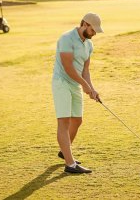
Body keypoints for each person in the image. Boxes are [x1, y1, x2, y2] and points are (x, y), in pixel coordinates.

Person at [52, 12, 103, 174]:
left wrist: (91, 88)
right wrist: (85, 85)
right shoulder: (66, 38)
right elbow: (68, 68)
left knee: (77, 120)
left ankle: (64, 151)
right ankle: (70, 164)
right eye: (93, 30)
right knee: (64, 122)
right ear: (85, 25)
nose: (94, 34)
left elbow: (85, 70)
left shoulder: (89, 45)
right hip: (62, 83)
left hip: (75, 84)